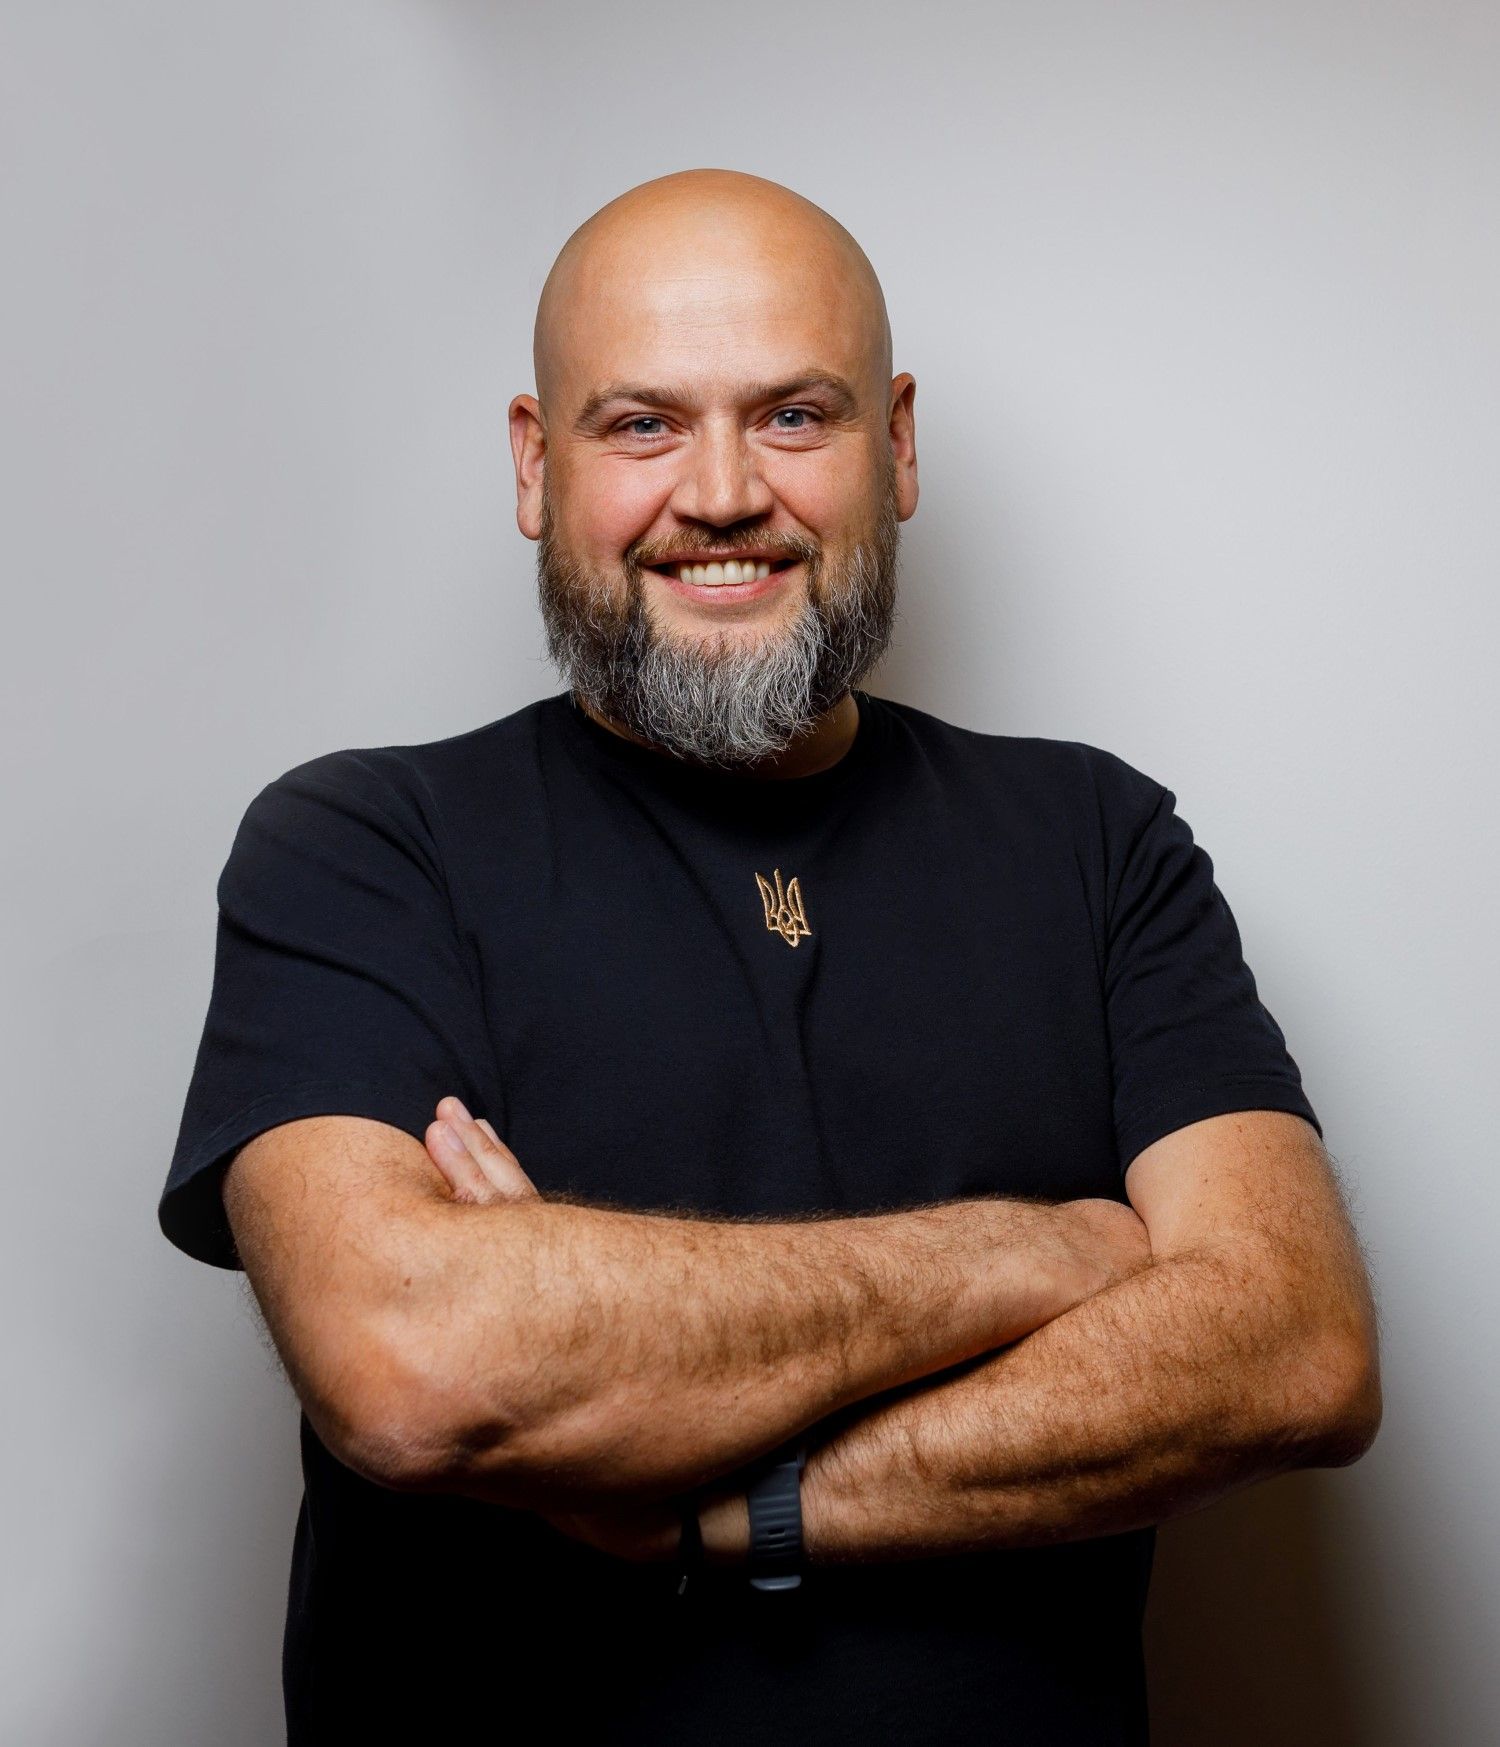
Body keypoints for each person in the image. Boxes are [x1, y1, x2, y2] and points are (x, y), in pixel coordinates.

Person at [159, 167, 1381, 1745]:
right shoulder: (362, 846)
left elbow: (1293, 1350)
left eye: (796, 416)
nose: (724, 493)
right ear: (535, 463)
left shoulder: (1098, 838)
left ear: (899, 447)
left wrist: (715, 1505)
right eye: (642, 425)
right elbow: (415, 1362)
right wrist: (1039, 1255)